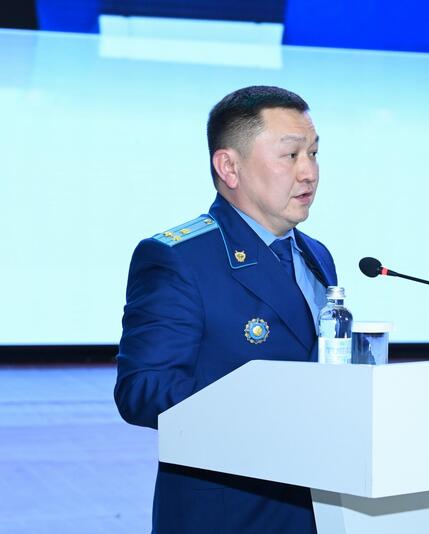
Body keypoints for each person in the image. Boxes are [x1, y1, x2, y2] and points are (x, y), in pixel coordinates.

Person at [114, 86, 335, 534]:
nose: (309, 172)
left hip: (320, 508)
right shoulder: (180, 258)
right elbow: (142, 390)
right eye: (291, 155)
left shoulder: (317, 255)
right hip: (230, 512)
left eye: (314, 153)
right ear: (229, 167)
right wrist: (265, 409)